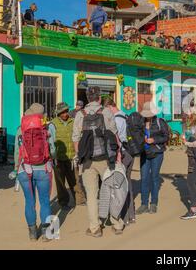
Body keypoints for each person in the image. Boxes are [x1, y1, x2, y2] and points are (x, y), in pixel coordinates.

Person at [72, 86, 124, 237]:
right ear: (99, 98)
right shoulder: (106, 111)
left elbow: (75, 138)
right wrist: (117, 155)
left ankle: (95, 228)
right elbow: (114, 135)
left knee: (92, 195)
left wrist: (80, 156)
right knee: (113, 191)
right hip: (106, 159)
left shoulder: (80, 114)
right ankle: (117, 224)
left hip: (88, 161)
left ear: (88, 98)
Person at [13, 103, 56, 242]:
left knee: (29, 202)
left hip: (24, 170)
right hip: (43, 169)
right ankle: (47, 234)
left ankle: (32, 233)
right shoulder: (48, 127)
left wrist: (16, 168)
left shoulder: (21, 128)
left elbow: (16, 153)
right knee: (45, 202)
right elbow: (53, 151)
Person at [103, 98, 136, 224]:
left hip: (122, 154)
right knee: (128, 183)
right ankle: (130, 215)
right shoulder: (125, 115)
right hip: (130, 153)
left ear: (110, 107)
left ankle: (123, 216)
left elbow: (120, 138)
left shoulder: (116, 119)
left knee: (121, 185)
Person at [136, 102, 169, 215]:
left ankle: (153, 203)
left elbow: (166, 136)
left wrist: (154, 140)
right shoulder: (140, 122)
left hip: (157, 153)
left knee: (154, 178)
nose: (147, 116)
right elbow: (136, 135)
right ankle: (144, 204)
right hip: (144, 153)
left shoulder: (160, 122)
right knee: (144, 178)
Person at [52, 102, 86, 208]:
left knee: (75, 180)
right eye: (63, 112)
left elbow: (78, 136)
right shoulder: (53, 124)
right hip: (59, 158)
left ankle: (79, 200)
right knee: (60, 183)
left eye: (66, 111)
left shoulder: (73, 122)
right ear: (58, 113)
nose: (65, 114)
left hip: (72, 158)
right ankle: (63, 202)